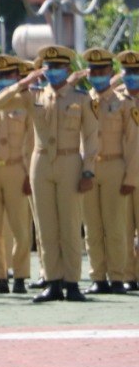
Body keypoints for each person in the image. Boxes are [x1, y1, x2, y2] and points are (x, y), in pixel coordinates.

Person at [0, 45, 98, 303]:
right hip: (40, 163)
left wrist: (88, 171)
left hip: (70, 161)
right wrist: (23, 83)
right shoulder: (34, 95)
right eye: (49, 68)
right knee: (46, 227)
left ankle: (71, 282)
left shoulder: (81, 98)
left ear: (67, 69)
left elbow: (92, 137)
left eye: (58, 67)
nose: (53, 72)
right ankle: (52, 282)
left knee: (70, 225)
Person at [79, 48, 138, 294]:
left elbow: (134, 142)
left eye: (101, 71)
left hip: (116, 166)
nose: (96, 75)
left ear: (110, 73)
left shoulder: (123, 103)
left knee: (116, 227)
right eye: (92, 71)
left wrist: (130, 176)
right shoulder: (81, 101)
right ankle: (98, 276)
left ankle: (118, 276)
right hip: (89, 169)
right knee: (92, 227)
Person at [0, 55, 33, 294]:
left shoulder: (25, 104)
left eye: (7, 76)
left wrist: (29, 174)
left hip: (16, 168)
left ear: (16, 76)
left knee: (20, 227)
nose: (2, 80)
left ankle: (20, 276)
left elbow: (31, 142)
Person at [115, 50, 139, 292]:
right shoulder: (114, 100)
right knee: (123, 228)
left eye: (136, 72)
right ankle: (127, 276)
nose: (132, 76)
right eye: (127, 72)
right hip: (119, 172)